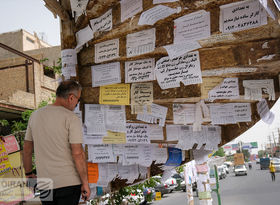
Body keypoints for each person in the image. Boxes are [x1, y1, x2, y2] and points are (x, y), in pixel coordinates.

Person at [23, 80, 90, 205]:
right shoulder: (71, 118)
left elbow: (27, 149)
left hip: (45, 185)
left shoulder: (35, 116)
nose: (77, 103)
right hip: (69, 184)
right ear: (71, 97)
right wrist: (85, 183)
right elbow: (77, 153)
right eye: (78, 100)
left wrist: (28, 174)